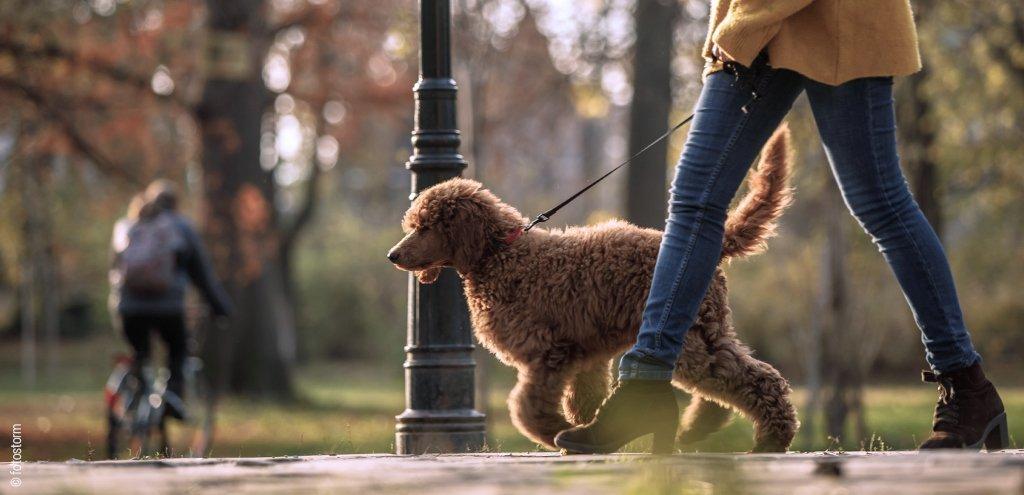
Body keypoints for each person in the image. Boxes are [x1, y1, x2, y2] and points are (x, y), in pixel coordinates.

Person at [555, 0, 1006, 453]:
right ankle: (645, 384)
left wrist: (743, 26)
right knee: (695, 201)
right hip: (759, 24)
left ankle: (966, 387)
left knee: (881, 204)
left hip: (838, 20)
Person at [110, 180, 232, 419]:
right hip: (167, 308)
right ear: (175, 204)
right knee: (178, 349)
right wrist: (221, 307)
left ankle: (132, 400)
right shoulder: (182, 227)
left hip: (128, 307)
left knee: (139, 353)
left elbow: (114, 269)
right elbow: (202, 274)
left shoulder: (128, 225)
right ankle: (172, 398)